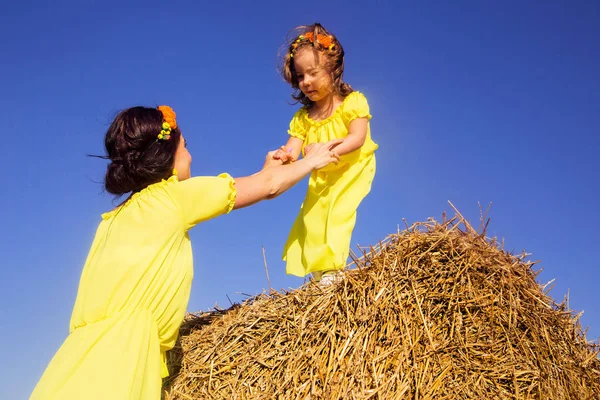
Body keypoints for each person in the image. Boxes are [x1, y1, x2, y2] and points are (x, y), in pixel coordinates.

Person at [30, 105, 341, 400]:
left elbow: (265, 180)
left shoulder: (111, 221)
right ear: (167, 156)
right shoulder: (172, 199)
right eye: (186, 147)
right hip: (123, 359)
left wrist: (266, 170)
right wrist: (312, 160)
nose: (191, 157)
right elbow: (268, 187)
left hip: (72, 360)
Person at [272, 23, 378, 285]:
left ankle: (333, 269)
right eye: (300, 76)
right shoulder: (304, 118)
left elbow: (357, 138)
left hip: (351, 168)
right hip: (321, 174)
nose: (306, 81)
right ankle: (319, 273)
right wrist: (283, 156)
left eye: (312, 73)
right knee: (312, 219)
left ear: (333, 70)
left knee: (338, 213)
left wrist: (324, 152)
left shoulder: (353, 102)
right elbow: (293, 151)